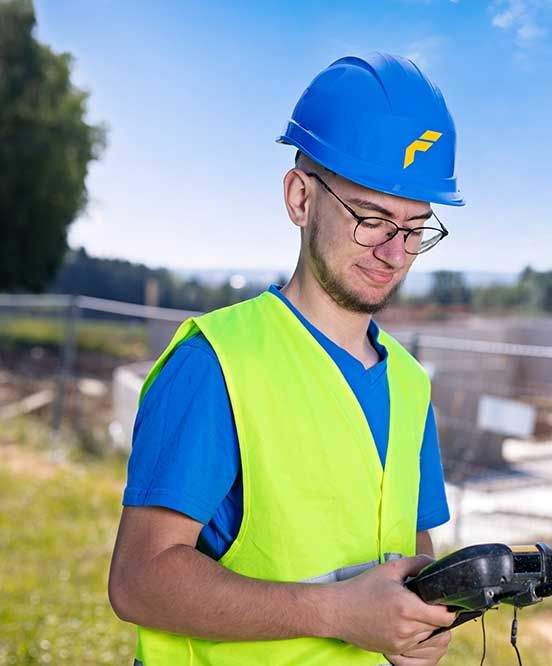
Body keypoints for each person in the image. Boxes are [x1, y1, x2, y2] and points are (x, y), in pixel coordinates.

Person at [108, 53, 464, 666]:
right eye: (372, 218)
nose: (395, 252)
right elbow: (138, 580)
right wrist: (339, 612)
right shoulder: (217, 362)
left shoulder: (409, 383)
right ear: (300, 198)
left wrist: (422, 615)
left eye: (416, 227)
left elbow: (413, 543)